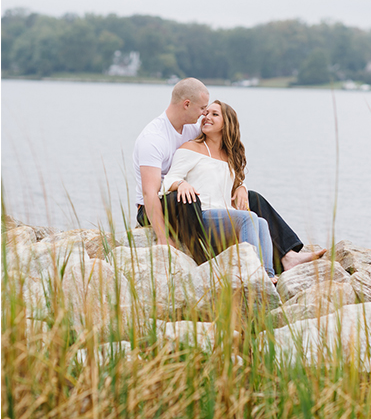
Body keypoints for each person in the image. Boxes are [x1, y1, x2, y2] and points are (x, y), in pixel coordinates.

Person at [133, 77, 325, 271]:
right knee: (194, 200)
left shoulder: (193, 128)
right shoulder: (154, 138)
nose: (203, 116)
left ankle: (287, 255)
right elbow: (151, 192)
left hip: (188, 201)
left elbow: (215, 167)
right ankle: (207, 259)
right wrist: (162, 237)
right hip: (156, 205)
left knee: (253, 200)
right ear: (186, 104)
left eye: (209, 112)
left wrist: (240, 187)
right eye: (202, 109)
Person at [162, 100, 276, 281]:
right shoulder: (191, 148)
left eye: (214, 114)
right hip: (204, 216)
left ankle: (268, 275)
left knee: (261, 222)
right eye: (206, 113)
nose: (206, 117)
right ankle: (252, 272)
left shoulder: (230, 156)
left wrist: (241, 187)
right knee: (250, 217)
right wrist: (181, 184)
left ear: (227, 123)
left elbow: (235, 180)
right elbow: (168, 180)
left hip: (227, 217)